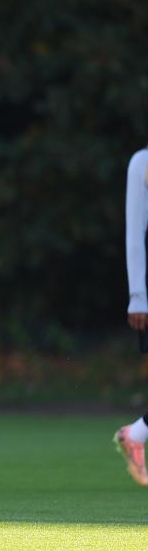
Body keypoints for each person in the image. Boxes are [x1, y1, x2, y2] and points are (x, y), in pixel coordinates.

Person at [116, 145, 148, 487]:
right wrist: (138, 296)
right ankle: (135, 434)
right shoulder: (143, 162)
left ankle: (136, 434)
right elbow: (135, 232)